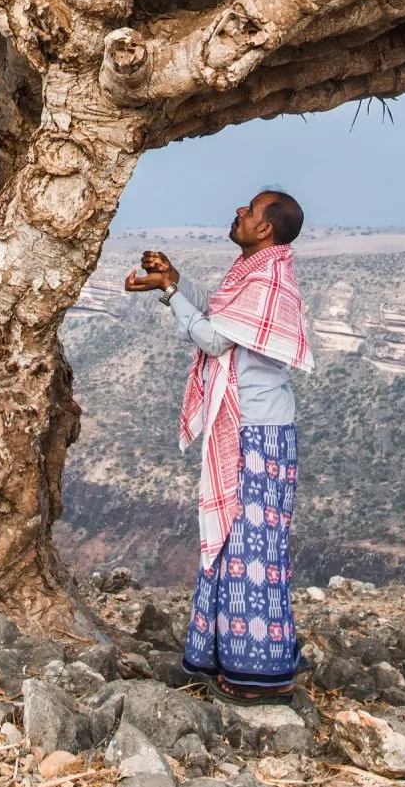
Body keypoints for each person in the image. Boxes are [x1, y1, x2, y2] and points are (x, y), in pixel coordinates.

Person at [123, 189, 311, 702]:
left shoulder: (269, 279)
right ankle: (222, 655)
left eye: (249, 211)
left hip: (259, 432)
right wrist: (173, 283)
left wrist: (170, 295)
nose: (239, 213)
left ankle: (260, 676)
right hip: (251, 427)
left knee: (255, 548)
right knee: (235, 542)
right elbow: (221, 321)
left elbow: (212, 339)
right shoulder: (252, 272)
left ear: (266, 229)